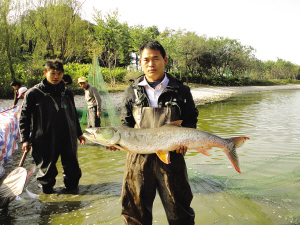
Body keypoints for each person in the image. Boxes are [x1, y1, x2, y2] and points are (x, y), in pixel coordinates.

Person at [116, 40, 199, 224]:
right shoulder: (131, 91)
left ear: (165, 60)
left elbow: (191, 119)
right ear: (140, 62)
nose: (151, 64)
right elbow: (125, 124)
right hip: (138, 160)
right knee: (135, 215)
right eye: (146, 60)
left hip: (172, 158)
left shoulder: (181, 91)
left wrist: (186, 140)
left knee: (181, 213)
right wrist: (118, 143)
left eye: (156, 58)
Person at [19, 59, 85, 194]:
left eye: (59, 74)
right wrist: (25, 139)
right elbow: (24, 117)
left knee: (72, 169)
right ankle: (48, 195)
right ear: (45, 73)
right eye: (52, 73)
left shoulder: (67, 93)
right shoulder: (33, 93)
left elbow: (73, 115)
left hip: (67, 137)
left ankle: (72, 193)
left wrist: (79, 133)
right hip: (44, 138)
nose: (56, 77)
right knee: (46, 172)